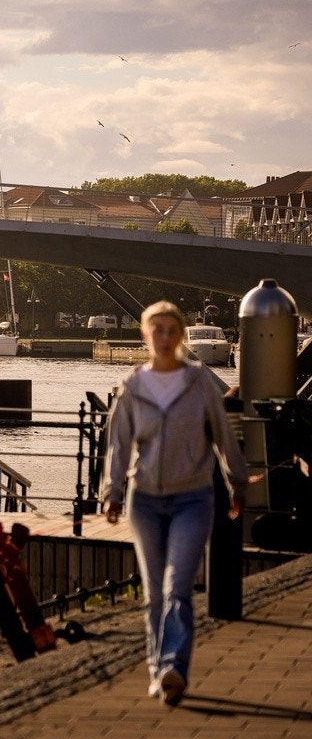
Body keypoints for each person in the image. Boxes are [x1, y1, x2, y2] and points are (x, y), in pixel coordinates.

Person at [100, 300, 254, 707]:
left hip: (192, 497)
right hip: (145, 499)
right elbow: (118, 447)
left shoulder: (199, 382)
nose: (165, 337)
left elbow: (222, 434)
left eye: (172, 330)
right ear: (145, 335)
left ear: (181, 336)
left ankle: (174, 666)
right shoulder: (132, 386)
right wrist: (111, 494)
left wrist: (237, 482)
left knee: (177, 588)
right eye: (157, 329)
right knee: (153, 592)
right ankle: (157, 671)